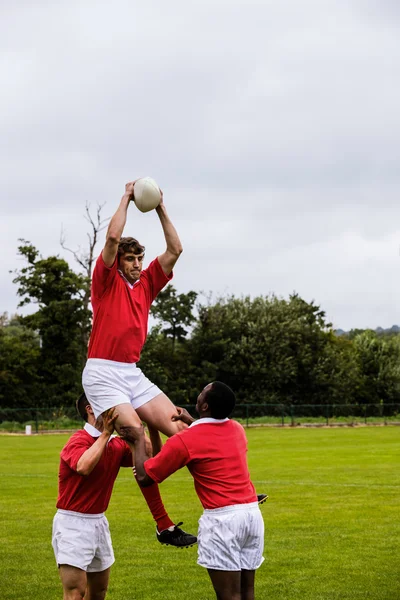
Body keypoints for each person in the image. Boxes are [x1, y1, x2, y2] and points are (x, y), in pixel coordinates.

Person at [81, 180, 196, 545]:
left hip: (132, 373)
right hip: (101, 373)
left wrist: (160, 206)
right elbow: (112, 240)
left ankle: (229, 497)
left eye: (137, 259)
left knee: (183, 431)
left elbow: (176, 248)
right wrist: (127, 198)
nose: (134, 264)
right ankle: (164, 524)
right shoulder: (105, 280)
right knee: (136, 435)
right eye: (129, 259)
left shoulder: (146, 283)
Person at [121, 382, 265, 600]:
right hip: (252, 516)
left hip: (223, 521)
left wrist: (139, 439)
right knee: (247, 593)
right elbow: (210, 433)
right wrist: (193, 421)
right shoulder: (237, 429)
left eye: (201, 393)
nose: (198, 395)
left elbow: (145, 477)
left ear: (204, 406)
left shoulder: (186, 440)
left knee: (229, 596)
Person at [52, 394, 196, 600]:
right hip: (73, 524)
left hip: (98, 522)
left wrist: (152, 426)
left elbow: (151, 460)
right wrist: (105, 434)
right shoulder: (78, 440)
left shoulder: (115, 444)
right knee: (75, 593)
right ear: (91, 409)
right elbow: (83, 467)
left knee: (99, 592)